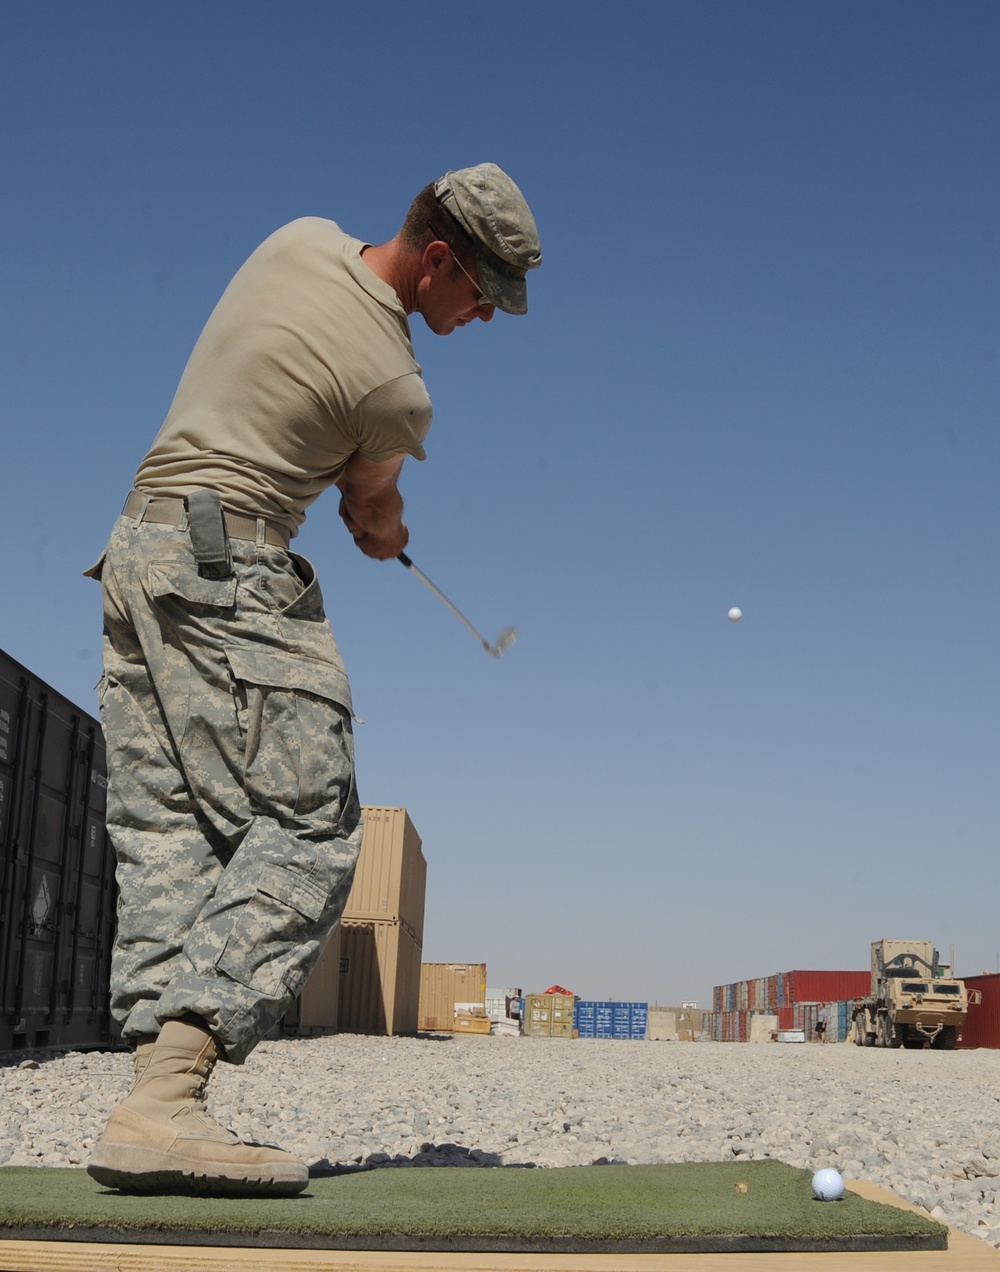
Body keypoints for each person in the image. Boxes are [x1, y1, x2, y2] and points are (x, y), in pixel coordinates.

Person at [83, 164, 541, 1196]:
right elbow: (370, 511)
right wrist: (388, 532)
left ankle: (153, 1109)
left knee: (170, 834)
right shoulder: (398, 388)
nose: (483, 319)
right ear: (436, 260)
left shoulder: (295, 238)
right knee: (313, 827)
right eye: (480, 295)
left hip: (136, 555)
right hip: (226, 565)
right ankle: (168, 1100)